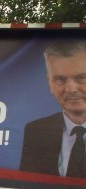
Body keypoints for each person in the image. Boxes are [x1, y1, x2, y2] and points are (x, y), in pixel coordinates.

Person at [19, 41, 86, 178]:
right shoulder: (36, 131)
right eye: (60, 80)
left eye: (81, 78)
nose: (71, 89)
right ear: (49, 83)